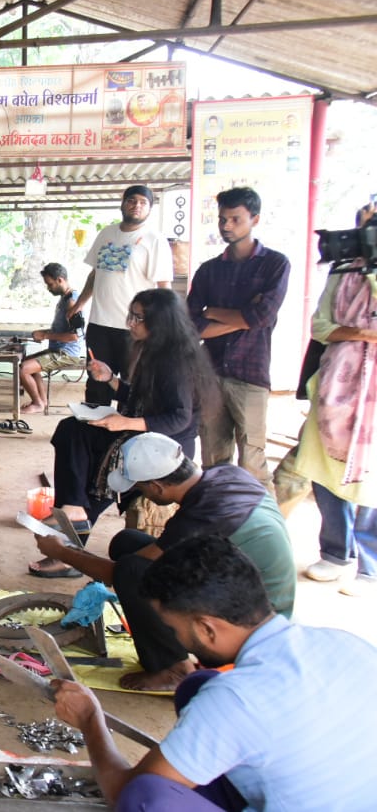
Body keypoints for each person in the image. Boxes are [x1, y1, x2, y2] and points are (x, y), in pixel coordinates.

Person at [49, 535, 377, 810]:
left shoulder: (236, 700)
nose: (176, 639)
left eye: (173, 629)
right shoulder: (345, 642)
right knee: (197, 686)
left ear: (207, 628)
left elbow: (123, 792)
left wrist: (90, 719)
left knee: (145, 796)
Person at [32, 432, 295, 692]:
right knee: (126, 542)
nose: (142, 494)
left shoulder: (199, 515)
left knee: (130, 572)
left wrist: (62, 553)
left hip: (253, 617)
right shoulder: (225, 475)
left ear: (157, 487)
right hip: (242, 581)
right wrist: (73, 552)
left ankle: (174, 668)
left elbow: (117, 574)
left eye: (140, 488)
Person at [30, 288, 215, 577]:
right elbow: (142, 399)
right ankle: (74, 510)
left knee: (96, 459)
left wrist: (125, 423)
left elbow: (179, 417)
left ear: (160, 322)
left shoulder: (175, 361)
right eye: (131, 315)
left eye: (138, 318)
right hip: (141, 433)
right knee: (72, 429)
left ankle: (71, 543)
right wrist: (111, 380)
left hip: (164, 446)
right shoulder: (152, 351)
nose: (130, 323)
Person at [298, 201, 377, 597]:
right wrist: (362, 333)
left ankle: (370, 564)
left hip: (371, 395)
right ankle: (335, 552)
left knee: (371, 476)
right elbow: (321, 326)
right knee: (323, 468)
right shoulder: (343, 269)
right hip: (335, 386)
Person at [187, 187, 289, 489]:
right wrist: (245, 318)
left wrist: (213, 312)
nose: (226, 226)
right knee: (213, 461)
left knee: (253, 462)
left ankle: (262, 519)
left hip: (251, 373)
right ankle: (217, 519)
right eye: (222, 219)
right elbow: (192, 327)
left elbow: (263, 317)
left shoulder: (275, 264)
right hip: (211, 373)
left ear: (255, 219)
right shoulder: (208, 271)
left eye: (235, 219)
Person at [69, 185, 174, 406]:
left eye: (143, 203)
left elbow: (164, 286)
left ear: (150, 208)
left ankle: (126, 428)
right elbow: (95, 274)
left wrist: (163, 324)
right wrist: (79, 304)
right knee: (96, 383)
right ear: (123, 202)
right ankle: (94, 428)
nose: (137, 206)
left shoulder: (155, 239)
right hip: (99, 324)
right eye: (132, 200)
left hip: (134, 328)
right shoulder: (106, 233)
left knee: (131, 384)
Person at [20, 262, 86, 414]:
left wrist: (45, 335)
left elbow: (74, 336)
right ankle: (42, 402)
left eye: (50, 284)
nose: (48, 288)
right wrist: (42, 332)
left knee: (23, 369)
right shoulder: (65, 298)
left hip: (66, 354)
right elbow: (61, 329)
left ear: (60, 280)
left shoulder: (72, 302)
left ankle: (37, 403)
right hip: (57, 350)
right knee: (26, 362)